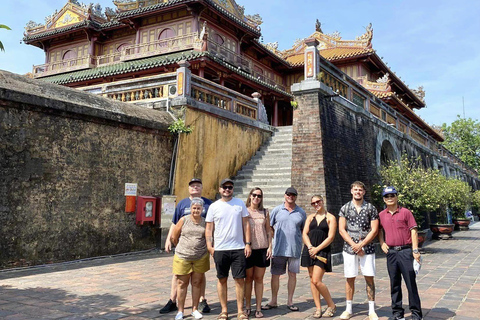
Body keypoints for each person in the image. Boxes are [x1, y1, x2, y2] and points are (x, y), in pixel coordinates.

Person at [161, 178, 212, 314]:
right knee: (178, 275)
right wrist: (169, 240)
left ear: (201, 188)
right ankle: (172, 300)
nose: (195, 188)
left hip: (201, 249)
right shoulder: (182, 204)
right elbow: (175, 223)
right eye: (192, 186)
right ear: (189, 188)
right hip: (184, 249)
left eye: (198, 185)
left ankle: (201, 300)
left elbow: (212, 225)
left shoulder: (208, 204)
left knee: (200, 276)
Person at [205, 178, 252, 320]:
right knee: (222, 279)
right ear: (219, 189)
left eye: (230, 187)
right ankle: (224, 310)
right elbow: (209, 228)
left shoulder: (239, 204)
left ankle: (240, 311)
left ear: (233, 189)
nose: (227, 189)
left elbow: (246, 225)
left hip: (238, 248)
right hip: (220, 249)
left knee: (239, 279)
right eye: (224, 187)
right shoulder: (214, 206)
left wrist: (248, 243)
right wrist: (209, 246)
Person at [378, 186, 423, 320]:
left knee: (410, 283)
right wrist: (382, 242)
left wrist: (415, 250)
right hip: (391, 253)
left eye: (392, 195)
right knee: (394, 283)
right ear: (384, 199)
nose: (390, 198)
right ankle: (397, 313)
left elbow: (413, 230)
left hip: (405, 251)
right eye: (387, 196)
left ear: (397, 197)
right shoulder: (381, 215)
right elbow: (378, 230)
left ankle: (416, 313)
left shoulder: (405, 212)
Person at [338, 181, 379, 320]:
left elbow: (374, 230)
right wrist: (354, 245)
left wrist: (361, 245)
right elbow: (342, 229)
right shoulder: (345, 208)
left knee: (369, 277)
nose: (357, 192)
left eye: (360, 190)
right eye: (355, 190)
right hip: (349, 248)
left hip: (367, 248)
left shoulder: (370, 208)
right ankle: (348, 308)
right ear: (351, 191)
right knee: (350, 278)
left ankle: (372, 310)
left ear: (364, 192)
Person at [262, 187, 306, 312]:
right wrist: (273, 240)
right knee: (275, 275)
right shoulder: (277, 210)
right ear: (285, 195)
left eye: (293, 195)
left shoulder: (301, 212)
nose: (290, 196)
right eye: (288, 194)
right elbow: (269, 226)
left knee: (292, 275)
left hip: (294, 249)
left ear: (296, 197)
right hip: (278, 248)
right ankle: (273, 300)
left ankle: (290, 301)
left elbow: (303, 229)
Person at [170, 198, 210, 320]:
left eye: (198, 208)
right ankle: (180, 310)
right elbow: (174, 237)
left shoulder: (205, 222)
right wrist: (181, 247)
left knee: (197, 283)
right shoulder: (184, 220)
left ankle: (195, 309)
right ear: (190, 209)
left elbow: (208, 236)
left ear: (202, 209)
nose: (196, 210)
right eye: (194, 208)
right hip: (183, 256)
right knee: (182, 283)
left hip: (200, 257)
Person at [301, 195, 337, 318]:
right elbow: (305, 233)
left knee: (317, 280)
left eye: (318, 201)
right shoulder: (310, 218)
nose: (316, 204)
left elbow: (331, 237)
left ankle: (331, 305)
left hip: (322, 251)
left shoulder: (330, 218)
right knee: (312, 279)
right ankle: (318, 307)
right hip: (310, 249)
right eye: (313, 203)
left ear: (322, 201)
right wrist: (310, 247)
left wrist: (317, 249)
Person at [244, 188, 272, 318]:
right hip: (248, 249)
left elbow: (268, 231)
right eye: (254, 195)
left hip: (262, 248)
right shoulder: (244, 211)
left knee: (259, 279)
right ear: (250, 196)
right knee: (248, 279)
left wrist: (270, 246)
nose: (256, 197)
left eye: (259, 196)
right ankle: (248, 305)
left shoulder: (265, 212)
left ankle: (259, 307)